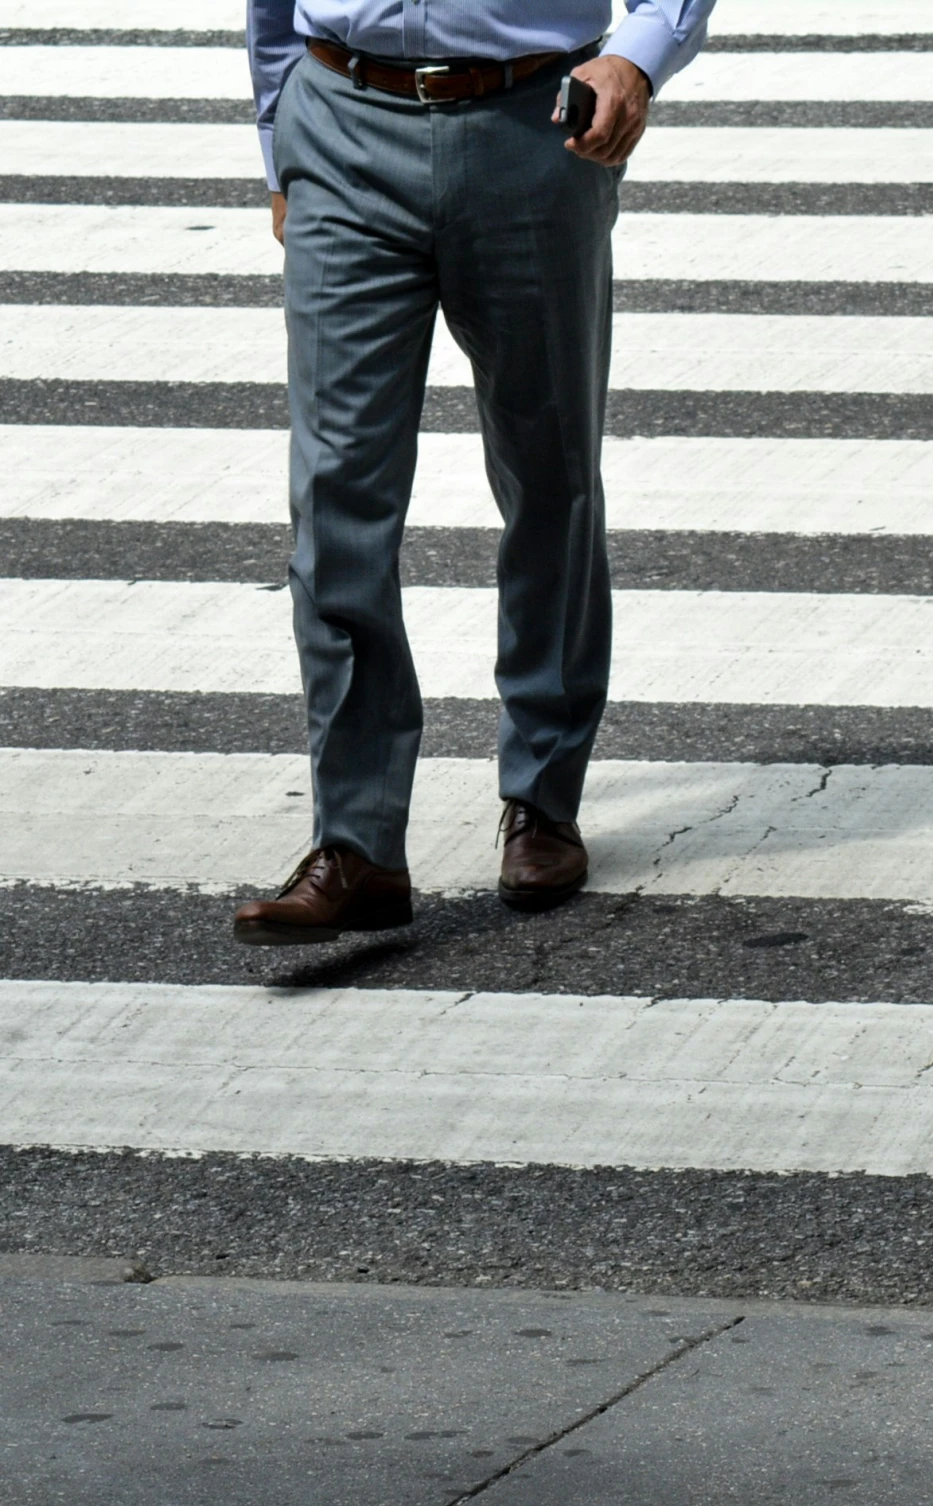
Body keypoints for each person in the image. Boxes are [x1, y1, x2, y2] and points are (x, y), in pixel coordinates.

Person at [231, 0, 714, 946]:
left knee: (550, 476)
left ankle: (543, 798)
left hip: (532, 126)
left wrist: (638, 60)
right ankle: (356, 841)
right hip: (339, 122)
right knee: (334, 493)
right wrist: (275, 129)